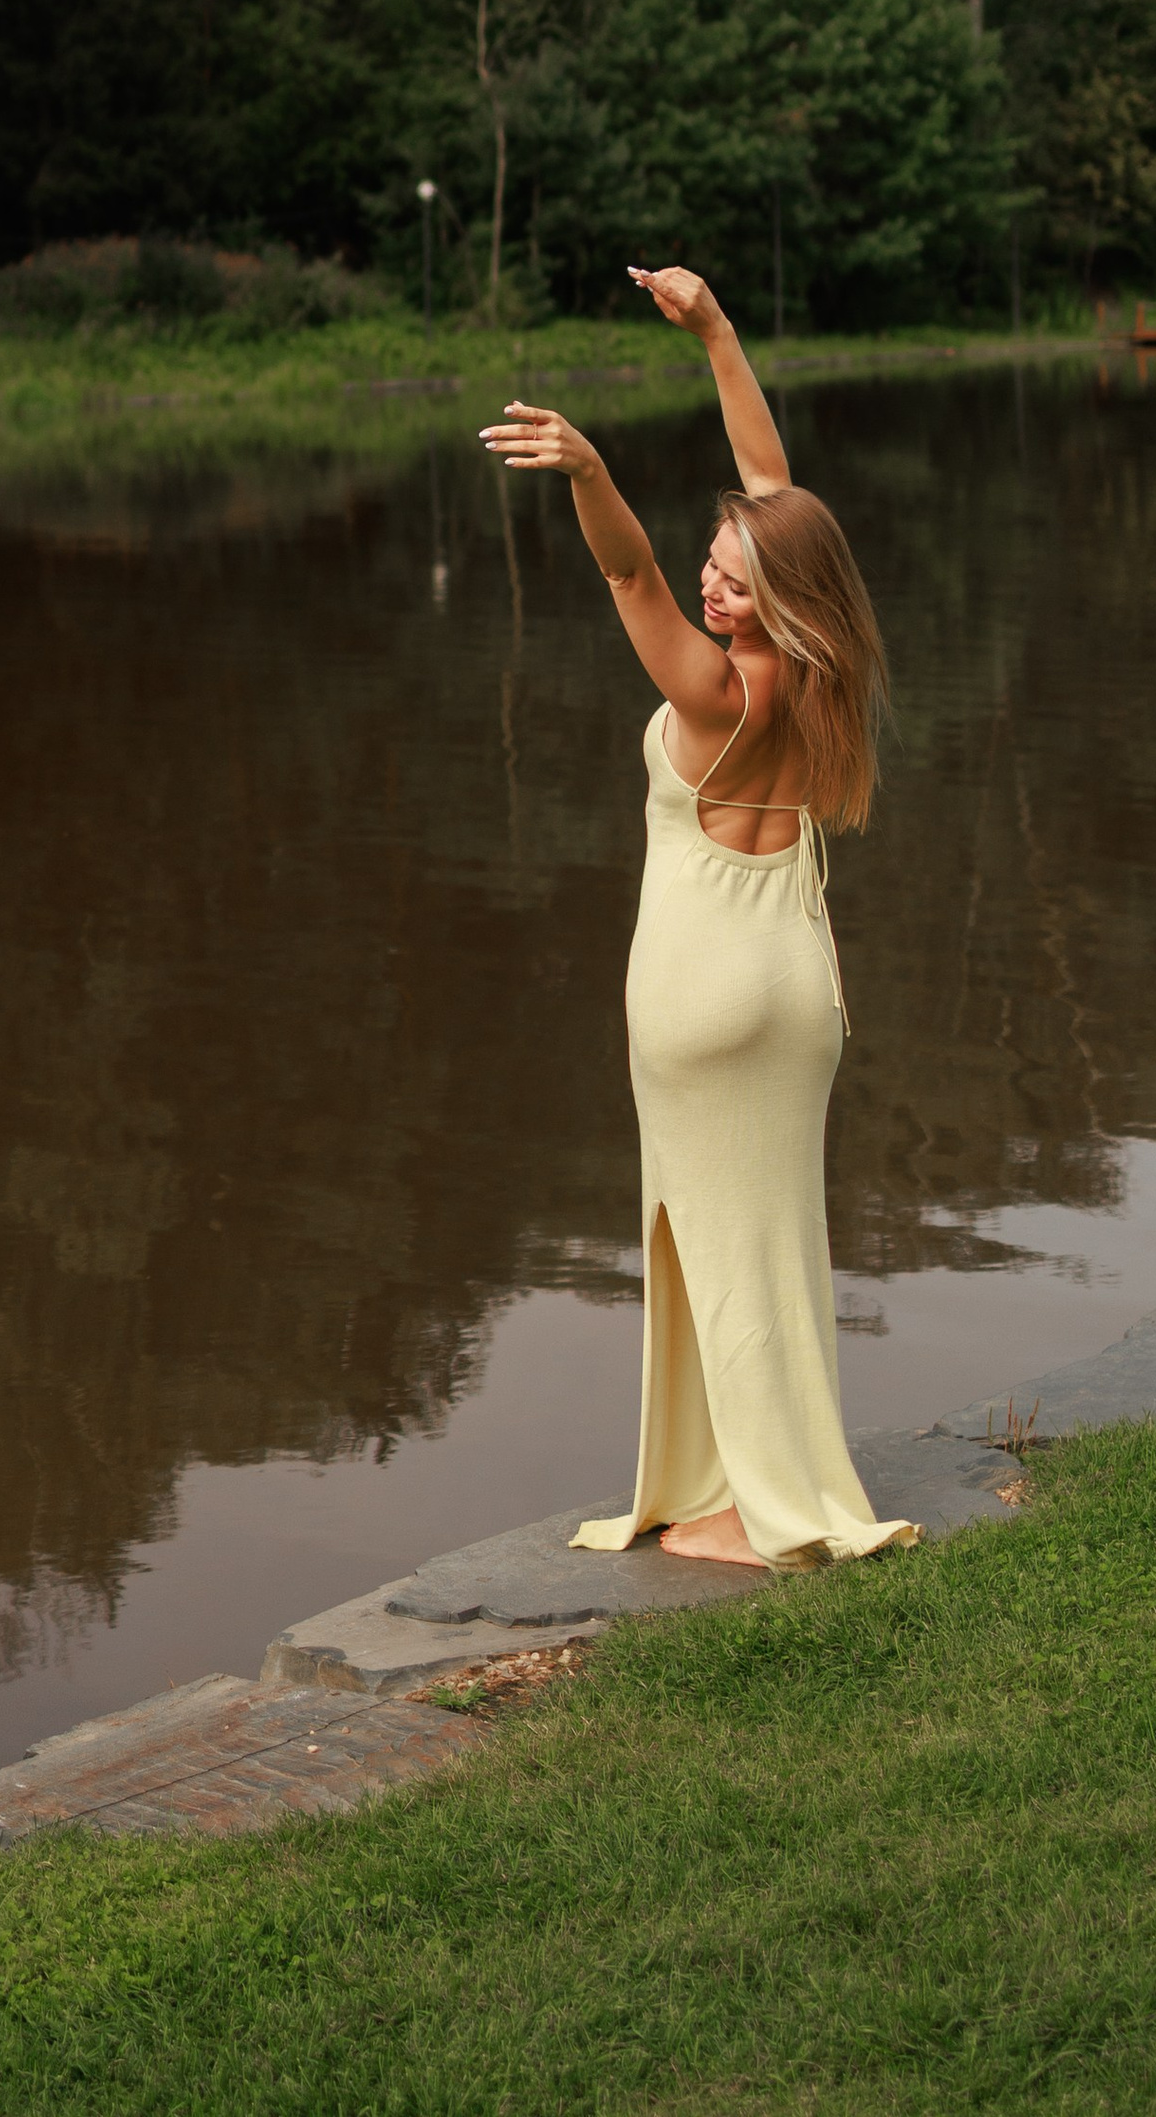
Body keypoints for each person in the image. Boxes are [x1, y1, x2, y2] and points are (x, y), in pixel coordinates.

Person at [481, 263, 914, 1571]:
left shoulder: (720, 690)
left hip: (707, 1001)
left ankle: (756, 1509)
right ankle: (775, 1477)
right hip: (798, 992)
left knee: (716, 1253)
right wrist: (717, 329)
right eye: (715, 566)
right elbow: (770, 481)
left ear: (769, 592)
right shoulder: (821, 662)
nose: (716, 588)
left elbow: (628, 575)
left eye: (735, 576)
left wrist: (588, 470)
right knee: (771, 1247)